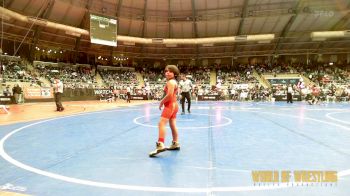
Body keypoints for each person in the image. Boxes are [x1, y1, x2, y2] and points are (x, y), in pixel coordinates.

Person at [149, 65, 180, 157]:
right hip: (175, 105)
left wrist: (161, 102)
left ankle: (160, 144)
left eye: (170, 71)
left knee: (161, 123)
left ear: (174, 73)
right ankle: (175, 143)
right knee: (172, 124)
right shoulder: (174, 82)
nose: (167, 72)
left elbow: (170, 95)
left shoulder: (170, 82)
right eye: (166, 71)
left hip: (170, 105)